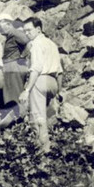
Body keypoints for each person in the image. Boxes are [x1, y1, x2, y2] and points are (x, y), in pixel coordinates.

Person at [20, 16, 63, 156]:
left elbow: (36, 68)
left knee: (37, 117)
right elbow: (60, 71)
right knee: (49, 115)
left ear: (38, 29)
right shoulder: (51, 44)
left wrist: (27, 90)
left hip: (40, 81)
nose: (27, 33)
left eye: (29, 30)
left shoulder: (36, 44)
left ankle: (43, 152)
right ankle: (56, 144)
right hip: (53, 82)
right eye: (24, 31)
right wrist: (58, 91)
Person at [0, 15, 30, 125]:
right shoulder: (10, 36)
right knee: (10, 97)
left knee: (15, 96)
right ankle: (16, 122)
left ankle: (22, 120)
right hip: (9, 69)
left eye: (0, 26)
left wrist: (23, 57)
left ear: (8, 24)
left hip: (14, 69)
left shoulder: (15, 33)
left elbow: (27, 42)